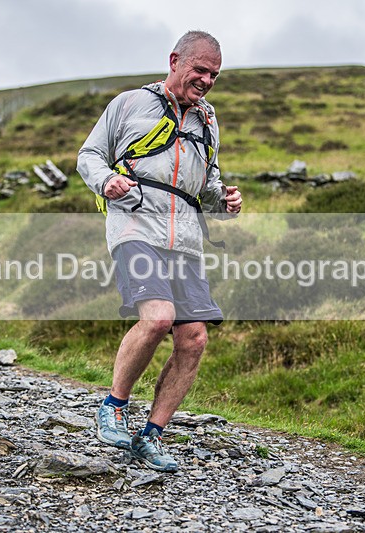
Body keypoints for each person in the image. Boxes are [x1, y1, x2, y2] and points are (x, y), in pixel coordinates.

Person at [77, 30, 242, 472]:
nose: (206, 80)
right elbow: (88, 156)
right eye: (199, 70)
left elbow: (205, 187)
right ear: (174, 61)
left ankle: (152, 435)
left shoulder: (208, 121)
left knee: (194, 338)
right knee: (158, 318)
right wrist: (105, 180)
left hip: (185, 239)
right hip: (135, 227)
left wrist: (223, 200)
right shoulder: (129, 103)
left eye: (214, 74)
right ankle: (113, 406)